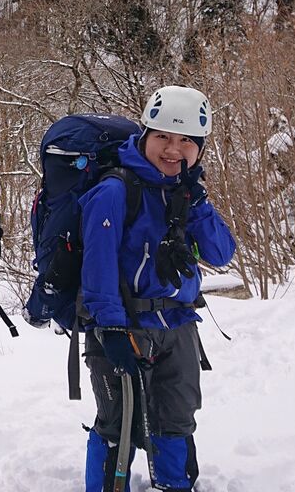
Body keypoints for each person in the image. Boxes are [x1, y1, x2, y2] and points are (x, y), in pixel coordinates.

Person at [79, 85, 236, 492]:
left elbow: (220, 253)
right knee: (118, 424)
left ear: (199, 148)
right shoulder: (115, 191)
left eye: (186, 141)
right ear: (145, 134)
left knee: (175, 420)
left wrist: (198, 203)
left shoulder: (185, 193)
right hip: (124, 327)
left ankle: (175, 485)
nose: (173, 149)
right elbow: (97, 267)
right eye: (163, 136)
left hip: (178, 327)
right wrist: (110, 329)